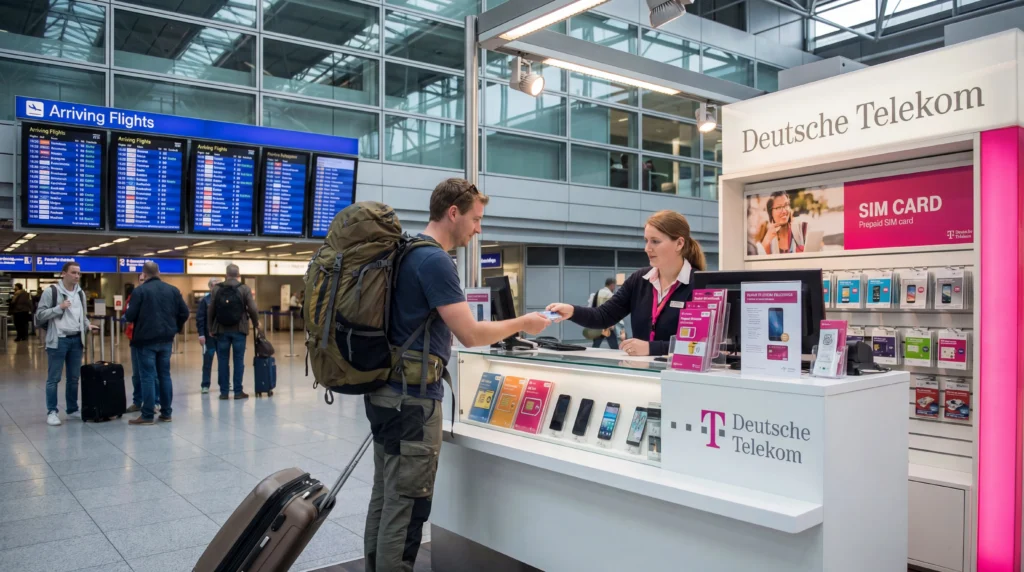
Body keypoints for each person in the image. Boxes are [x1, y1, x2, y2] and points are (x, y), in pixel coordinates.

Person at [363, 178, 551, 572]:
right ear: (453, 213)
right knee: (408, 506)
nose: (478, 228)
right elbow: (470, 333)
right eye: (475, 219)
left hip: (385, 393)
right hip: (413, 401)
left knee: (386, 497)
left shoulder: (405, 251)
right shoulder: (434, 261)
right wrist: (524, 323)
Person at [547, 210, 707, 357]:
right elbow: (604, 316)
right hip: (643, 373)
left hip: (683, 376)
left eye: (655, 241)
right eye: (646, 241)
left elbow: (702, 344)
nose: (647, 248)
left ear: (679, 244)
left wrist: (651, 348)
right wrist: (572, 311)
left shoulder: (701, 286)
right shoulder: (639, 279)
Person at [124, 262, 189, 425]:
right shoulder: (172, 290)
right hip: (166, 339)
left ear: (144, 274)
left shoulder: (140, 291)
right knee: (164, 375)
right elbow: (185, 312)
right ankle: (166, 413)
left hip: (145, 341)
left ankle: (147, 415)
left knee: (147, 376)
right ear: (159, 272)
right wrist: (175, 327)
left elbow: (130, 316)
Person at [34, 262, 97, 426]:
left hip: (76, 340)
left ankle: (72, 409)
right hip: (59, 340)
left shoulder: (80, 293)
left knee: (73, 378)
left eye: (79, 273)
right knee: (53, 378)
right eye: (73, 273)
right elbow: (39, 315)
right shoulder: (52, 292)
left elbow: (82, 316)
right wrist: (59, 307)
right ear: (63, 274)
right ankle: (52, 411)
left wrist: (87, 324)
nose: (77, 276)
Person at [207, 264, 261, 400]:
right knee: (238, 360)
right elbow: (253, 309)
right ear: (238, 275)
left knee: (223, 361)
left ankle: (224, 392)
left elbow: (211, 309)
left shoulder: (217, 289)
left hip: (221, 330)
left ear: (226, 274)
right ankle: (238, 391)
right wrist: (255, 323)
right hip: (239, 329)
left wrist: (210, 328)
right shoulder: (244, 288)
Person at [124, 274, 159, 413]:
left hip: (152, 338)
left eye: (146, 279)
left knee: (153, 372)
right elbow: (127, 314)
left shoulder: (156, 295)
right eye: (141, 280)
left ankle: (155, 401)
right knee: (137, 373)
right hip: (136, 338)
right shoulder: (134, 296)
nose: (144, 282)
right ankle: (137, 401)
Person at [754, 191, 805, 255]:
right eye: (778, 207)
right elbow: (759, 261)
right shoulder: (765, 234)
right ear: (771, 213)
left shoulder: (802, 229)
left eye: (786, 205)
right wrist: (767, 240)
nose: (784, 211)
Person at [195, 277, 221, 395]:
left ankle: (224, 383)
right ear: (210, 287)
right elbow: (200, 318)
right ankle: (205, 384)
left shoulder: (223, 300)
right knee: (207, 361)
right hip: (209, 336)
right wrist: (201, 334)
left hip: (221, 335)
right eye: (213, 285)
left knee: (223, 361)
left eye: (218, 285)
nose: (215, 287)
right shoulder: (205, 301)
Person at [589, 278, 625, 350]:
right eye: (614, 285)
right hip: (608, 322)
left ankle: (593, 350)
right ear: (612, 285)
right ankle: (616, 352)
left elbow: (592, 306)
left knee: (599, 339)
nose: (614, 287)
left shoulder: (598, 293)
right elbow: (613, 309)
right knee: (611, 339)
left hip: (599, 320)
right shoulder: (610, 295)